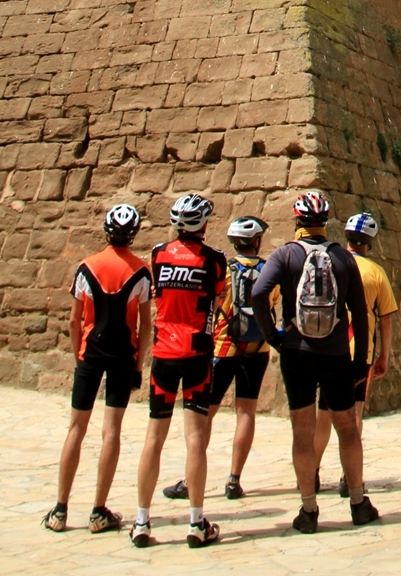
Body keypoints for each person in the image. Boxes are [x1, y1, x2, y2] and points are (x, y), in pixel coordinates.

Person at [250, 190, 376, 532]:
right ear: (325, 222)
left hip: (297, 354)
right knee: (348, 429)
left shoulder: (285, 255)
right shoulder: (341, 258)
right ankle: (357, 502)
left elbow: (258, 294)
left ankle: (308, 510)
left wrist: (274, 335)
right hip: (336, 353)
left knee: (302, 432)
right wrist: (362, 360)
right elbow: (360, 315)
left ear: (297, 220)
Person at [43, 204, 151, 535]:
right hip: (122, 356)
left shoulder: (85, 267)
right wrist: (138, 364)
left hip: (89, 354)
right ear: (133, 234)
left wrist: (79, 356)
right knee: (111, 430)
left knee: (76, 428)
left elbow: (74, 319)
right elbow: (145, 325)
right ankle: (98, 510)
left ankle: (60, 509)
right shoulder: (141, 272)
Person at [130, 193, 229, 548]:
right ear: (202, 224)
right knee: (195, 440)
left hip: (163, 353)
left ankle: (141, 521)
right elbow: (216, 299)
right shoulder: (216, 260)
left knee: (153, 439)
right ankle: (196, 521)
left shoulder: (157, 255)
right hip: (197, 354)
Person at [161, 215, 274, 504]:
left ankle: (190, 479)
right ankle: (234, 479)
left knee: (204, 415)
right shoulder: (267, 271)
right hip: (257, 348)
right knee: (246, 412)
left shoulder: (224, 269)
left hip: (224, 348)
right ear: (257, 241)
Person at [316, 212, 398, 496]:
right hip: (360, 352)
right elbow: (386, 316)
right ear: (370, 243)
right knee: (355, 413)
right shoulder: (376, 273)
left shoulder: (332, 263)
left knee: (324, 413)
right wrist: (384, 355)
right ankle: (347, 475)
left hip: (329, 346)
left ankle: (312, 471)